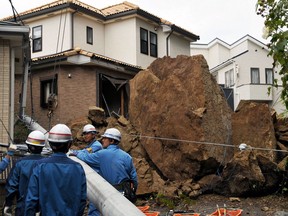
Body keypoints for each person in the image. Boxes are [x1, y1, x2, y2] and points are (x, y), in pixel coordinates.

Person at [25, 124, 87, 216]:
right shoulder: (78, 168)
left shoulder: (40, 166)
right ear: (69, 144)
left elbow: (31, 199)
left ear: (49, 143)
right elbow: (82, 200)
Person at [76, 127, 138, 215]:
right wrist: (132, 192)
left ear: (112, 141)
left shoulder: (101, 154)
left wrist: (76, 153)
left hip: (106, 193)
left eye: (105, 138)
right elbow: (134, 179)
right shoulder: (126, 156)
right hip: (124, 194)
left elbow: (85, 157)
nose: (102, 140)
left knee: (94, 211)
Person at [4, 130, 46, 216]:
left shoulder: (20, 164)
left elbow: (11, 186)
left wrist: (8, 204)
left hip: (23, 208)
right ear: (42, 147)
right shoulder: (48, 164)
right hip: (44, 209)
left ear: (28, 146)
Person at [70, 124, 102, 216]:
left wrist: (75, 153)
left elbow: (85, 155)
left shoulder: (97, 146)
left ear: (93, 134)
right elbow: (83, 152)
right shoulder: (91, 145)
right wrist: (75, 152)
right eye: (84, 134)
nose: (85, 136)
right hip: (92, 177)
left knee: (94, 204)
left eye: (87, 134)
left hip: (97, 178)